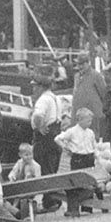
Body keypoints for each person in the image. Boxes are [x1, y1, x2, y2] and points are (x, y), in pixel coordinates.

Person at [55, 106, 101, 217]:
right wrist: (65, 148)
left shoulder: (90, 133)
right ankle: (73, 209)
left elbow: (94, 146)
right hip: (78, 159)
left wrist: (97, 157)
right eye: (87, 121)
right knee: (77, 183)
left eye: (90, 121)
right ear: (79, 120)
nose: (89, 123)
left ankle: (87, 208)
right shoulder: (72, 131)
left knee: (89, 182)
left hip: (89, 158)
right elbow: (57, 139)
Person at [30, 74, 65, 212]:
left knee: (44, 167)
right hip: (55, 132)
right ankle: (53, 199)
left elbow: (38, 115)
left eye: (34, 86)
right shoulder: (55, 98)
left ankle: (50, 201)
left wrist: (39, 127)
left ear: (41, 87)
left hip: (44, 137)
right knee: (52, 166)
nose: (33, 89)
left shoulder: (43, 100)